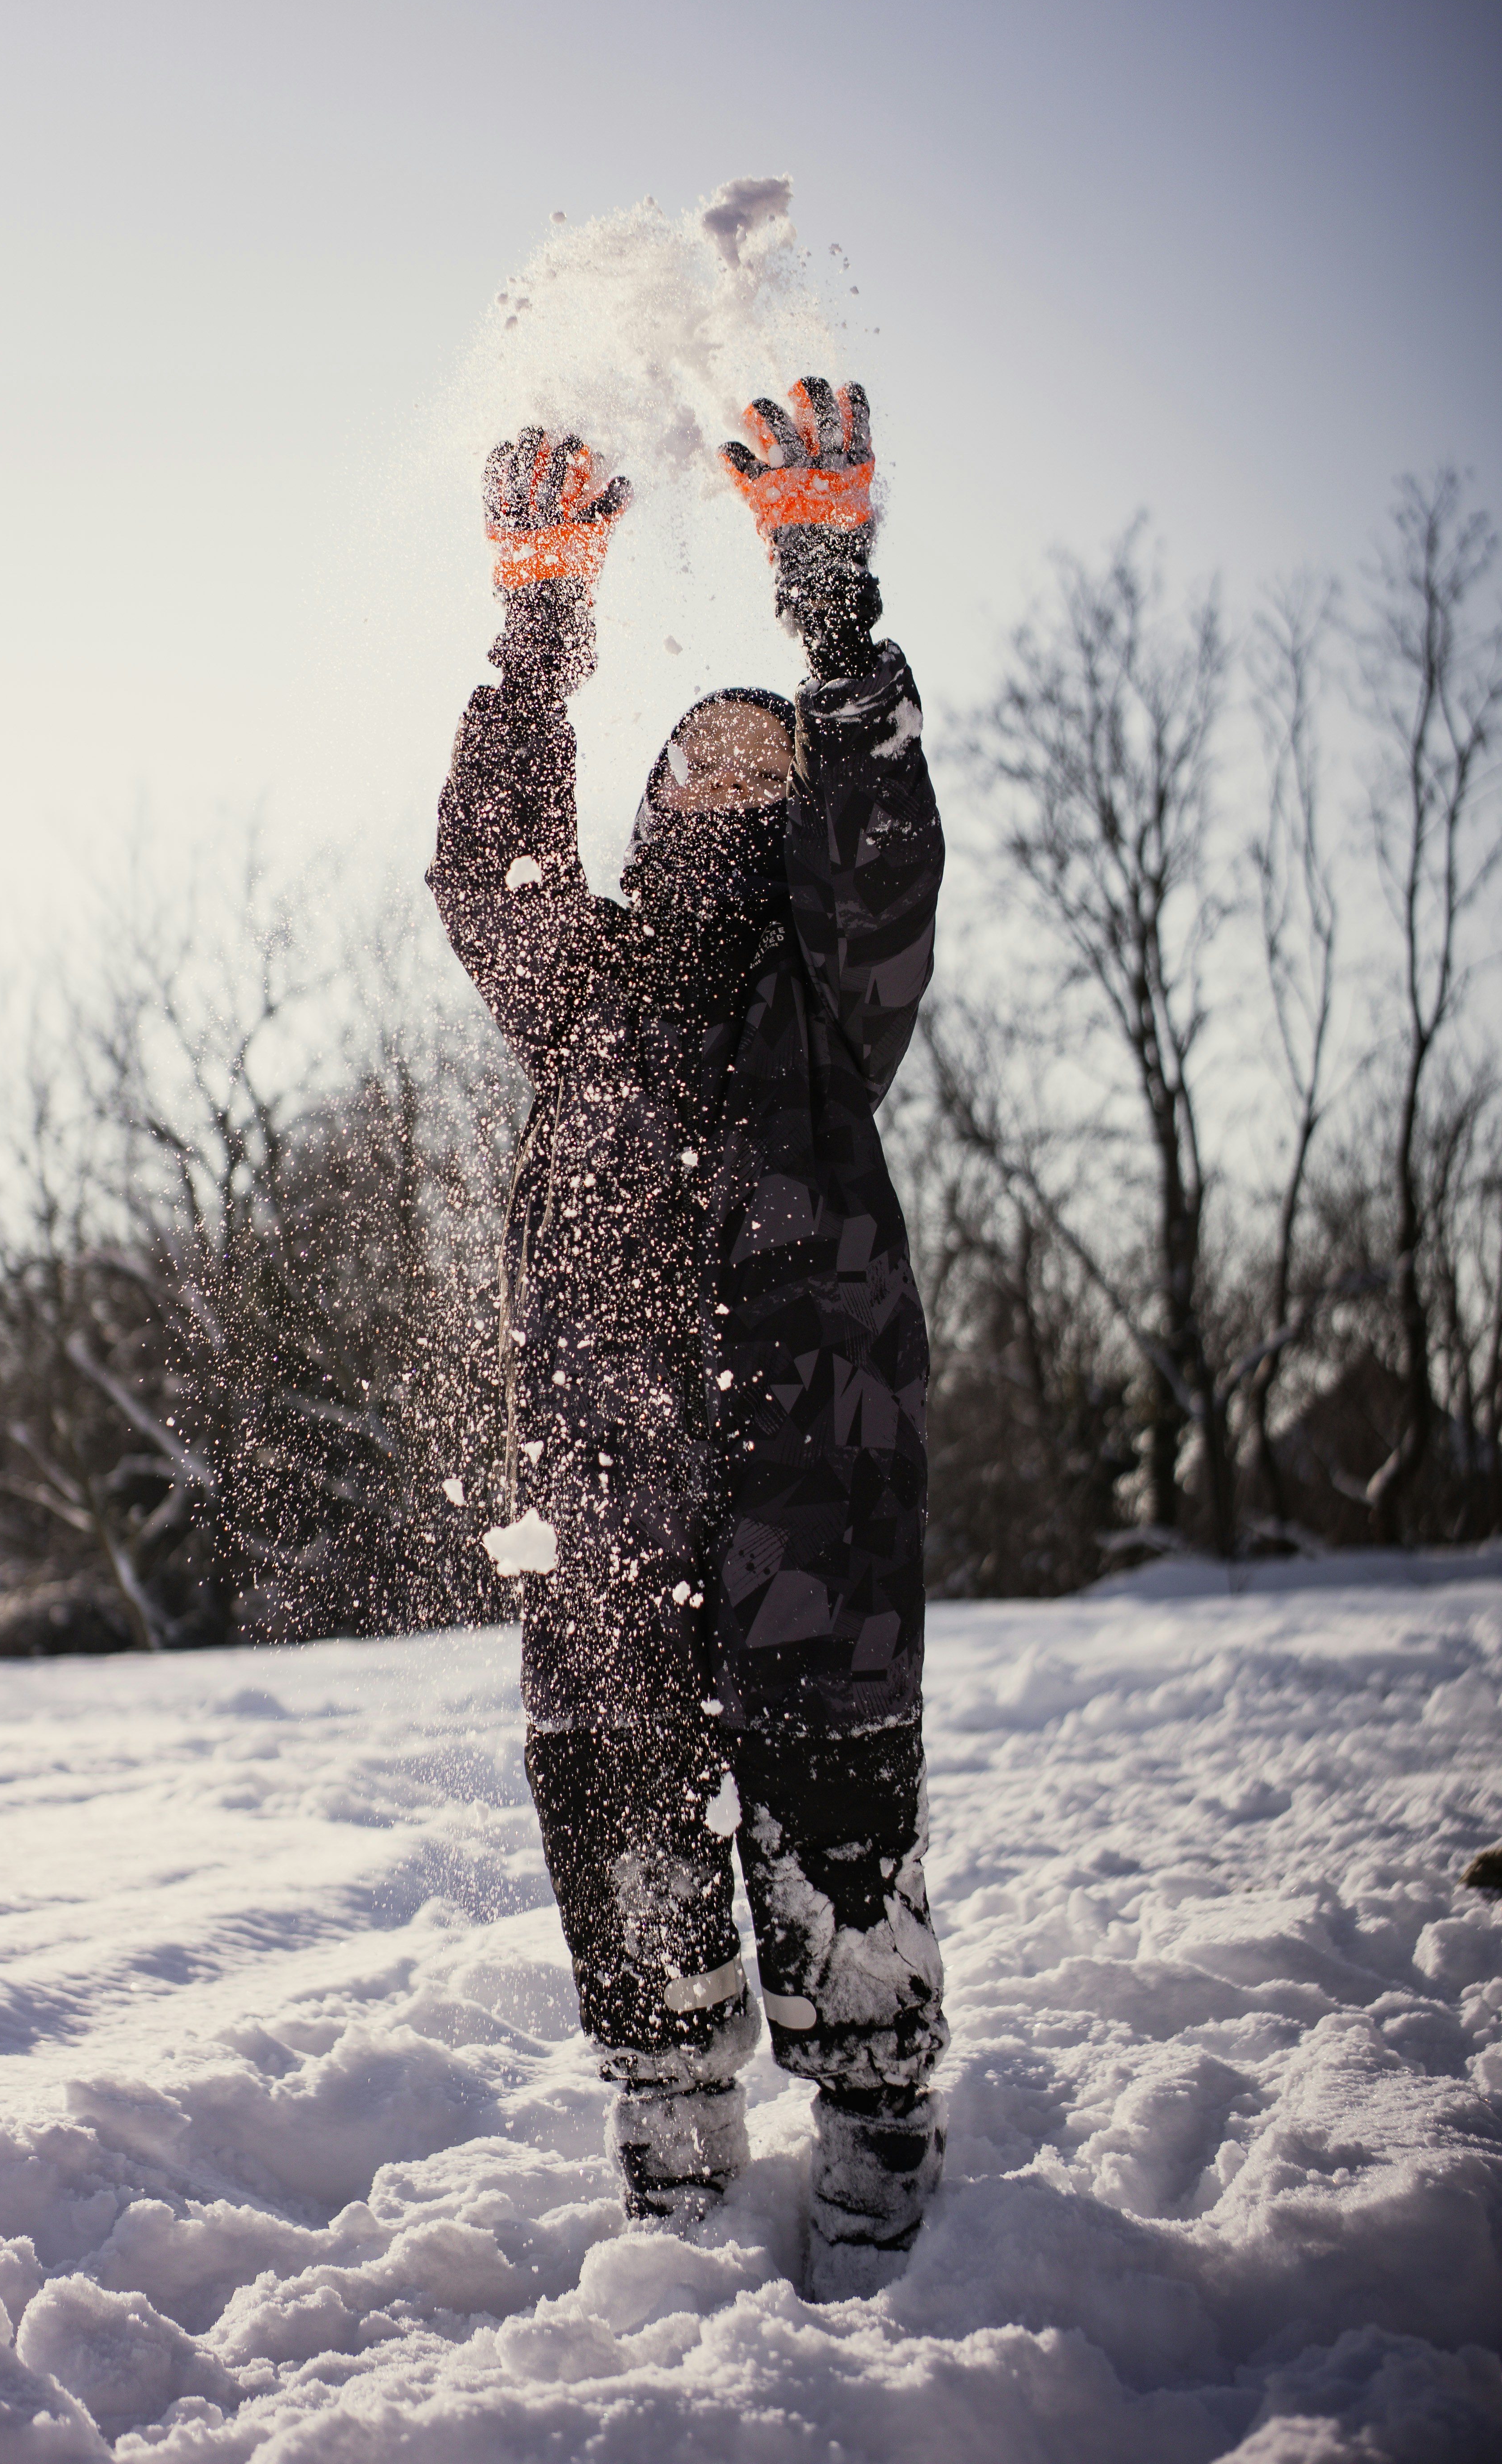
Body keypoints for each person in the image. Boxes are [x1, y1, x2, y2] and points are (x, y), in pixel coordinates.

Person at [431, 377, 947, 2303]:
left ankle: (881, 2133)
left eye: (762, 765)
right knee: (626, 1819)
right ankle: (672, 2141)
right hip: (605, 1500)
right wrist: (535, 628)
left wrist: (828, 610)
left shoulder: (830, 1007)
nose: (731, 777)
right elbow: (486, 868)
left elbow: (885, 852)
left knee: (836, 1823)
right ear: (651, 808)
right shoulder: (579, 995)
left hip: (816, 1489)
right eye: (700, 760)